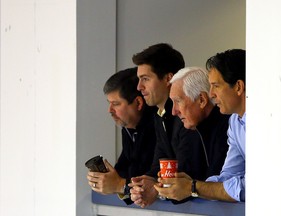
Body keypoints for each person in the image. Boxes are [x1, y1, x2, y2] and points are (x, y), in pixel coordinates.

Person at [155, 49, 246, 202]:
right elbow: (228, 177)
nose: (211, 94)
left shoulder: (268, 122)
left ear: (238, 86)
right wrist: (190, 186)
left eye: (216, 86)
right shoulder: (235, 122)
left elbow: (254, 186)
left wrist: (193, 187)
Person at [129, 43, 211, 207]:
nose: (139, 87)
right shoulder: (160, 116)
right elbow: (157, 166)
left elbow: (186, 171)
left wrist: (154, 187)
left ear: (168, 78)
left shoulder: (189, 116)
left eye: (145, 79)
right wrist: (143, 184)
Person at [87, 68, 157, 205]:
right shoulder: (128, 127)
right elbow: (123, 169)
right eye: (109, 104)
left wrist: (119, 184)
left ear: (138, 103)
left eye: (116, 104)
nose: (110, 110)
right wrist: (106, 179)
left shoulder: (156, 126)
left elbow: (147, 177)